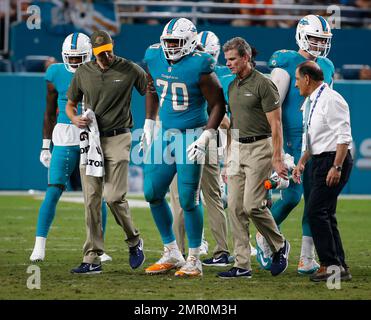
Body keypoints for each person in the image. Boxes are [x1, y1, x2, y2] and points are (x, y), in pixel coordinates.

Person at [142, 18, 226, 277]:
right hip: (166, 133)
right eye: (167, 42)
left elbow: (218, 105)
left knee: (189, 199)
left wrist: (205, 137)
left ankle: (194, 258)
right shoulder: (154, 56)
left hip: (191, 134)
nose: (170, 47)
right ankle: (171, 251)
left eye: (176, 42)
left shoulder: (201, 64)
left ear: (190, 41)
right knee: (152, 192)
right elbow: (151, 87)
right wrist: (148, 121)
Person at [66, 30, 147, 274]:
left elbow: (151, 90)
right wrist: (74, 119)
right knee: (91, 199)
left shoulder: (130, 69)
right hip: (92, 140)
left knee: (113, 197)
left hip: (119, 137)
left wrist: (153, 123)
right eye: (102, 53)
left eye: (110, 50)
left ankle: (134, 241)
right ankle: (92, 257)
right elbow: (71, 104)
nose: (107, 56)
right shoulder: (83, 72)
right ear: (93, 53)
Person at [259, 14, 335, 274]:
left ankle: (306, 256)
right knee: (291, 196)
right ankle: (264, 237)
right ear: (302, 35)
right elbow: (272, 104)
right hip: (290, 138)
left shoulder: (327, 65)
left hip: (315, 140)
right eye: (314, 38)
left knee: (314, 201)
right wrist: (275, 147)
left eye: (323, 39)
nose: (319, 44)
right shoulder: (286, 60)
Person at [30, 32, 111, 263]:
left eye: (79, 58)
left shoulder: (101, 70)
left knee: (96, 196)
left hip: (91, 136)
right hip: (65, 135)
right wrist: (46, 145)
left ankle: (98, 248)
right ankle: (39, 245)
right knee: (54, 189)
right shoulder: (55, 72)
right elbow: (48, 112)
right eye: (71, 58)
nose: (74, 62)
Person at [217, 37, 290, 279]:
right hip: (238, 148)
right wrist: (229, 159)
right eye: (226, 59)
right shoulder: (231, 86)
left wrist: (277, 158)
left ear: (246, 57)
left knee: (252, 205)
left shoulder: (264, 84)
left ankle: (279, 245)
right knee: (235, 207)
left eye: (232, 59)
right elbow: (233, 126)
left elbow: (276, 124)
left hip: (261, 148)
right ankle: (242, 265)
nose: (228, 64)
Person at [168, 30, 233, 267]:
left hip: (190, 138)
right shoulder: (220, 75)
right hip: (208, 139)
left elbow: (223, 117)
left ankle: (180, 252)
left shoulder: (184, 69)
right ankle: (219, 250)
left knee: (184, 198)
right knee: (205, 197)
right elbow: (223, 118)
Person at [292, 61, 353, 282]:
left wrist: (336, 166)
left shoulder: (331, 99)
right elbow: (315, 137)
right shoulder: (311, 101)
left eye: (297, 79)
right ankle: (339, 266)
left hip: (332, 160)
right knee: (325, 213)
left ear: (307, 79)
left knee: (316, 212)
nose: (295, 84)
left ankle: (330, 264)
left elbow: (343, 135)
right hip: (319, 160)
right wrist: (302, 161)